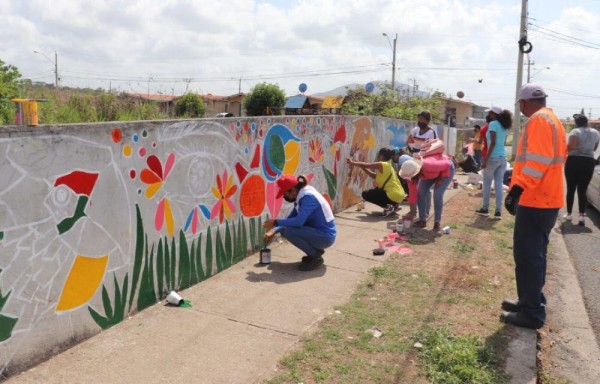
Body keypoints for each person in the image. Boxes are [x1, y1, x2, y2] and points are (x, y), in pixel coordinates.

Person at [503, 83, 567, 329]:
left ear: (524, 103)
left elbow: (538, 161)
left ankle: (531, 313)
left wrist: (518, 189)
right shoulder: (552, 119)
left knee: (528, 256)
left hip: (536, 199)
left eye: (520, 104)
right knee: (535, 255)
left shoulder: (539, 120)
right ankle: (529, 301)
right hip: (545, 198)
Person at [263, 175, 337, 271]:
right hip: (319, 233)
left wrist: (275, 222)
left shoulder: (308, 198)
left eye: (285, 194)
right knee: (286, 229)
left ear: (293, 190)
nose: (285, 197)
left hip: (325, 237)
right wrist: (274, 230)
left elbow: (298, 222)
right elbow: (290, 218)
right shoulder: (302, 196)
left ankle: (316, 257)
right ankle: (314, 252)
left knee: (288, 232)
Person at [399, 153, 455, 233]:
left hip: (446, 170)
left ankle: (437, 223)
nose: (411, 178)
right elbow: (413, 193)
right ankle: (422, 221)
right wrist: (412, 213)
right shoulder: (412, 174)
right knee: (420, 193)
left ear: (416, 171)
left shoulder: (429, 165)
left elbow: (447, 165)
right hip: (428, 174)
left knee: (437, 195)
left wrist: (441, 179)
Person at [563, 113, 600, 226]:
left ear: (576, 123)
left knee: (571, 188)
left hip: (574, 161)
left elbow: (572, 146)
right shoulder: (595, 132)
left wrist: (565, 149)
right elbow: (594, 147)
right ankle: (581, 217)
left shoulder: (575, 131)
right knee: (583, 190)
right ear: (587, 122)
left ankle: (569, 214)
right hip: (589, 162)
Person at [346, 147, 406, 217]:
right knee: (377, 190)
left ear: (381, 156)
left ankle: (388, 207)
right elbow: (374, 175)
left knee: (366, 194)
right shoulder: (389, 166)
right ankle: (394, 205)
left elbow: (365, 164)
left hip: (393, 195)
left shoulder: (382, 164)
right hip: (399, 195)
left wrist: (352, 162)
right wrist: (363, 169)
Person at [475, 109, 512, 220]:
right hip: (503, 158)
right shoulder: (504, 125)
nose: (488, 114)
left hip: (493, 157)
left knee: (487, 183)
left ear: (494, 114)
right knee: (499, 184)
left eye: (490, 113)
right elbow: (501, 143)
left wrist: (486, 159)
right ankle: (498, 212)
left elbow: (493, 143)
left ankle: (485, 209)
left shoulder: (493, 124)